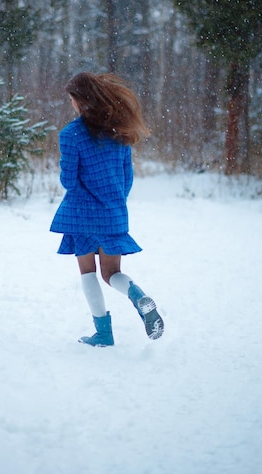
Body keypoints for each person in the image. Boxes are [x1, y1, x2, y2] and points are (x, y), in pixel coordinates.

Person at [50, 71, 164, 347]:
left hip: (81, 215)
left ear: (80, 100)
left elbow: (68, 180)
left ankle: (103, 333)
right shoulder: (120, 132)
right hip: (113, 214)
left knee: (88, 273)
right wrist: (112, 202)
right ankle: (137, 296)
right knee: (111, 273)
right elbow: (127, 179)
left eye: (72, 99)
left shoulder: (70, 135)